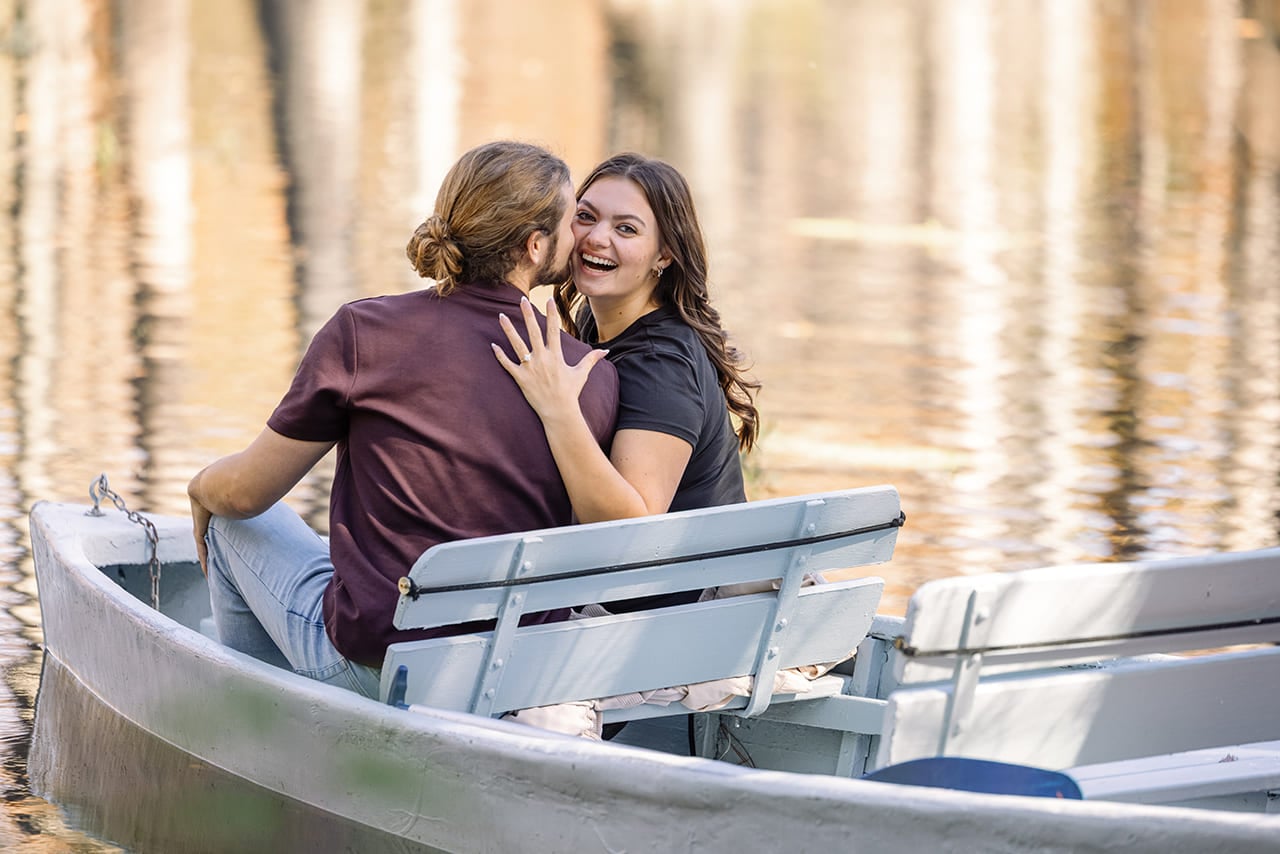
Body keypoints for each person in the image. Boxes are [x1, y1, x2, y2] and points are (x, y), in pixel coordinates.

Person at [187, 140, 619, 698]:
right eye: (571, 223)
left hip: (378, 667)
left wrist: (201, 487)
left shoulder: (367, 332)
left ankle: (257, 718)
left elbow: (246, 493)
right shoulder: (590, 374)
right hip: (513, 675)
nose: (579, 239)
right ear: (536, 247)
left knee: (230, 521)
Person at [493, 152, 760, 611]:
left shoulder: (661, 365)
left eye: (626, 229)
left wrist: (558, 411)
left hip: (674, 622)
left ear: (665, 254)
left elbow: (632, 527)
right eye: (585, 217)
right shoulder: (601, 324)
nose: (596, 238)